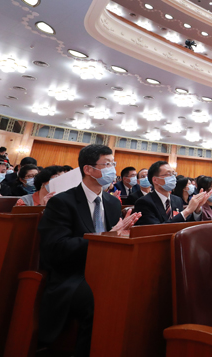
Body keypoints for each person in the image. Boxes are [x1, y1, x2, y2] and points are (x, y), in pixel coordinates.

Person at [38, 145, 141, 356]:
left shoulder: (112, 202)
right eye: (107, 164)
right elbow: (56, 249)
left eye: (114, 164)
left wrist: (122, 236)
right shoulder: (62, 202)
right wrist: (106, 237)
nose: (113, 169)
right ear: (88, 169)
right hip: (72, 275)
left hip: (107, 269)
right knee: (103, 299)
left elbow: (115, 240)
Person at [133, 161, 210, 226]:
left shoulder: (177, 200)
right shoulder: (144, 202)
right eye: (168, 174)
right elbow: (155, 229)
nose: (173, 177)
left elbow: (186, 224)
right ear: (155, 180)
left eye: (173, 174)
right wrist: (187, 210)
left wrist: (196, 210)